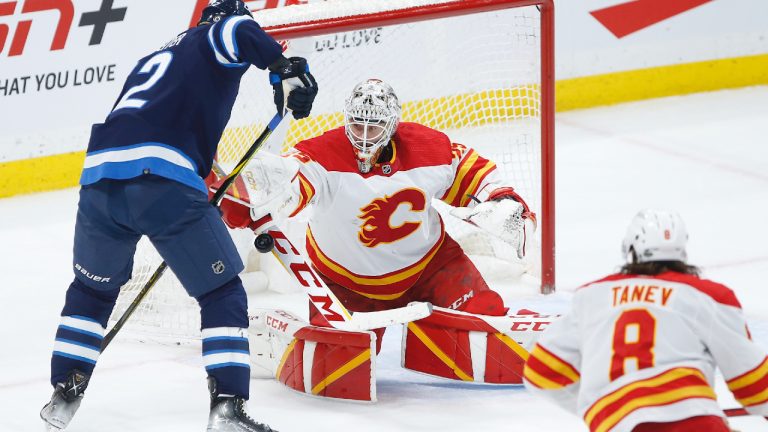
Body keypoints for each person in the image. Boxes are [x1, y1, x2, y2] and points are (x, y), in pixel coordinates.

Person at [39, 1, 317, 431]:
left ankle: (63, 394)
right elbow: (237, 30)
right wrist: (282, 66)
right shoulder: (214, 36)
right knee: (222, 291)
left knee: (91, 291)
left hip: (99, 180)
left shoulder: (155, 57)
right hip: (161, 181)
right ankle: (227, 409)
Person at [212, 78, 536, 352]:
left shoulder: (428, 149)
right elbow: (292, 183)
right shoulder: (322, 155)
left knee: (487, 322)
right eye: (357, 124)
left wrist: (504, 203)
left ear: (392, 124)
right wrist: (248, 196)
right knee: (339, 361)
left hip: (431, 269)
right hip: (344, 283)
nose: (365, 135)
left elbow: (477, 176)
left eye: (375, 125)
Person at [523, 210, 768, 432]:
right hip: (694, 422)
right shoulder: (708, 295)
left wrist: (602, 408)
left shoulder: (591, 296)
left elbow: (541, 371)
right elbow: (755, 383)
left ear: (630, 249)